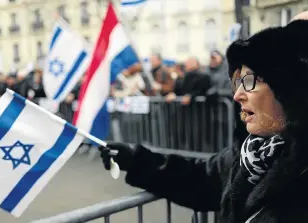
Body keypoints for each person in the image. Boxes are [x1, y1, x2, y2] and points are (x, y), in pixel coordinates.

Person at [99, 19, 308, 222]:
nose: (237, 95)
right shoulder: (252, 151)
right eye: (238, 82)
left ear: (289, 89)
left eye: (251, 81)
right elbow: (201, 179)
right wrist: (137, 160)